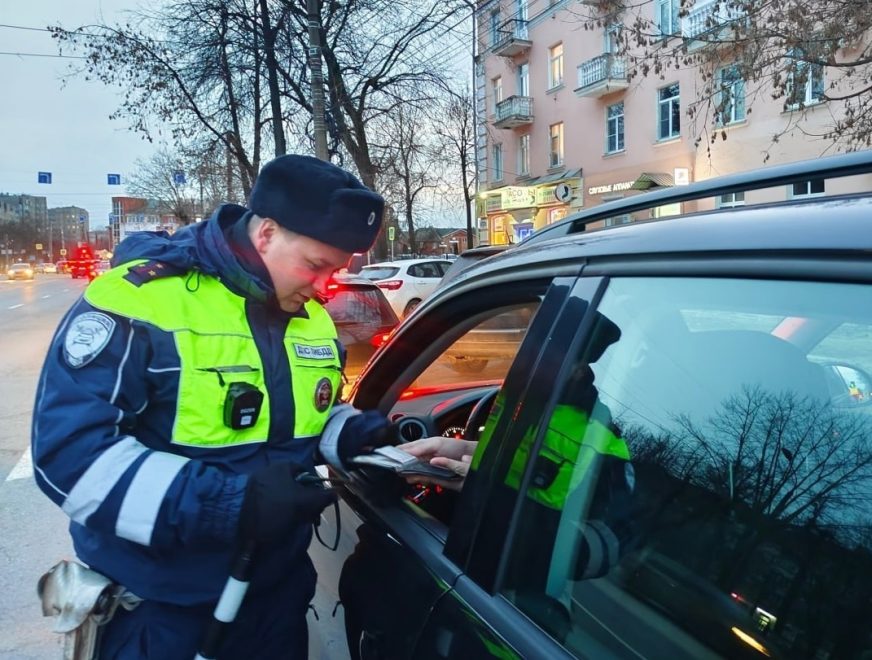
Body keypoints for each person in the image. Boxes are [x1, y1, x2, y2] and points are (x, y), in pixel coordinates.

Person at [31, 155, 401, 659]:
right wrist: (228, 504)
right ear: (266, 233)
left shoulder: (306, 315)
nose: (323, 287)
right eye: (316, 266)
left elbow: (301, 419)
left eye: (335, 270)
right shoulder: (140, 301)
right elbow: (71, 460)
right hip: (164, 616)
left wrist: (351, 434)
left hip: (275, 602)